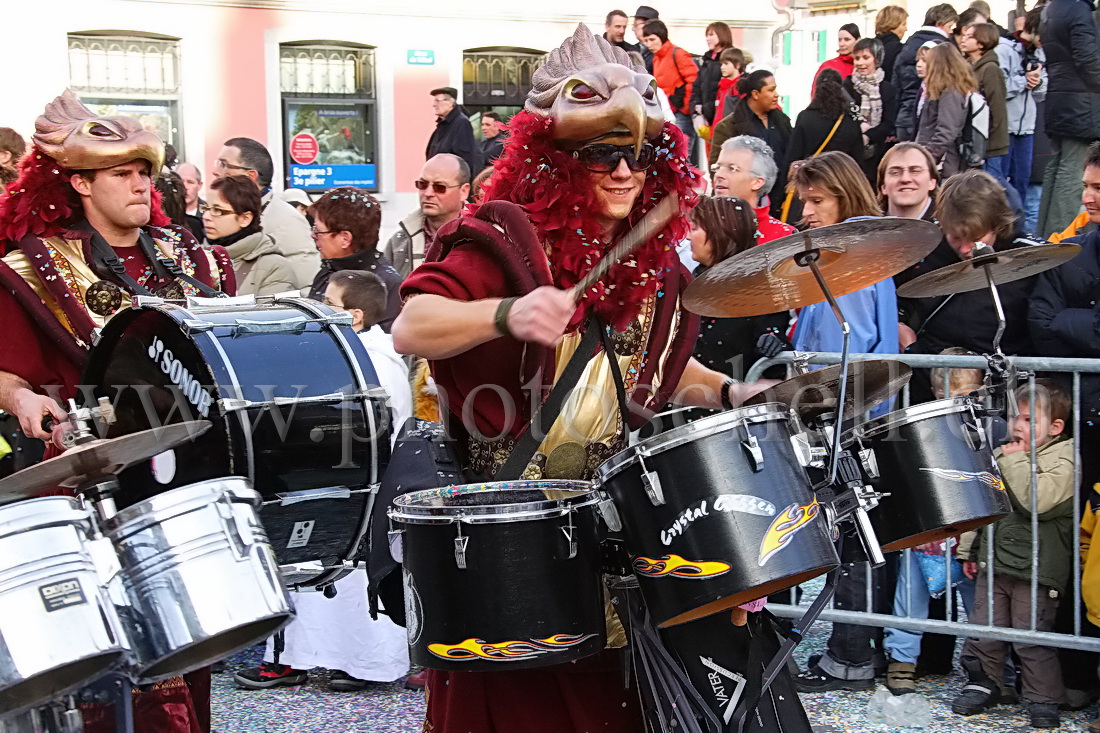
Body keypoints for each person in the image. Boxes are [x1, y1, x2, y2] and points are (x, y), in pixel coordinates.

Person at [392, 26, 789, 733]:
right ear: (552, 160)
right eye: (602, 153)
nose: (623, 171)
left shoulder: (655, 265)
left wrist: (729, 393)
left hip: (624, 552)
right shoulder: (501, 237)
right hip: (511, 552)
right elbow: (414, 326)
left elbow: (655, 372)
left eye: (639, 154)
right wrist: (509, 312)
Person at [0, 89, 235, 733]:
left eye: (144, 173)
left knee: (193, 646)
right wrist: (22, 400)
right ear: (79, 182)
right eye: (121, 173)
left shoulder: (197, 260)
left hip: (190, 475)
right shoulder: (34, 267)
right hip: (91, 484)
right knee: (118, 669)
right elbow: (8, 372)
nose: (139, 186)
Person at [235, 269, 411, 694]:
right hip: (329, 477)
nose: (318, 307)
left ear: (354, 316)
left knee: (349, 580)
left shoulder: (377, 361)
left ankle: (365, 663)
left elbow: (369, 426)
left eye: (327, 303)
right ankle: (303, 658)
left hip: (362, 484)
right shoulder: (343, 349)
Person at [787, 152, 898, 692]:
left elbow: (840, 354)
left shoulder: (846, 261)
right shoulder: (856, 252)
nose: (806, 212)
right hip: (851, 413)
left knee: (849, 541)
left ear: (845, 197)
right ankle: (850, 654)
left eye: (817, 201)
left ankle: (849, 659)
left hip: (842, 419)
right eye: (804, 201)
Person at [953, 379, 1075, 729]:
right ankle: (984, 683)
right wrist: (969, 549)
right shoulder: (1008, 454)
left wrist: (1015, 461)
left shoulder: (1063, 458)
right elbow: (985, 500)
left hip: (1037, 569)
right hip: (995, 561)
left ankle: (1043, 698)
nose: (1017, 426)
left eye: (1027, 419)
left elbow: (1039, 501)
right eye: (1012, 417)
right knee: (984, 629)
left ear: (1055, 428)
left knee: (1031, 636)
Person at [882, 346, 982, 695]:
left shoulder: (985, 430)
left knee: (978, 601)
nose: (949, 400)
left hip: (971, 533)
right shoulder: (922, 425)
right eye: (943, 392)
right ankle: (902, 661)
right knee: (911, 595)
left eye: (960, 394)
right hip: (929, 529)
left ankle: (990, 666)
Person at [903, 171, 1039, 404]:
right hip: (930, 382)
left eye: (977, 238)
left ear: (997, 225)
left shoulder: (1030, 256)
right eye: (956, 238)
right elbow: (899, 300)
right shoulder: (925, 250)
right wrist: (899, 327)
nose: (967, 249)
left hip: (1006, 386)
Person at [1030, 141, 1100, 526]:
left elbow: (1055, 321)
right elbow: (1041, 323)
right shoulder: (1069, 252)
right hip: (1079, 416)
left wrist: (1068, 321)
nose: (1087, 198)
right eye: (1086, 185)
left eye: (1099, 189)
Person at [690, 195, 790, 380]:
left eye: (695, 228)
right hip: (678, 401)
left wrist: (774, 345)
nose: (688, 235)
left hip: (735, 402)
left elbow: (776, 358)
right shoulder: (686, 283)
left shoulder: (759, 291)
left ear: (720, 232)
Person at [212, 137, 319, 289]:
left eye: (224, 164)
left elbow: (304, 287)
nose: (215, 171)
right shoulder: (218, 215)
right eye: (217, 163)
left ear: (250, 176)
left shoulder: (288, 221)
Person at [1035, 0, 1100, 237]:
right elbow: (1088, 60)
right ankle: (1061, 239)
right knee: (1072, 175)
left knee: (1057, 170)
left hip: (1061, 99)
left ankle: (1045, 236)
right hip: (1081, 103)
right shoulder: (1079, 9)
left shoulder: (1051, 9)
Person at [306, 187, 402, 332]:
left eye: (318, 231)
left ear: (345, 239)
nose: (313, 235)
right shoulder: (329, 269)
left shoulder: (385, 285)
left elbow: (383, 347)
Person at [784, 69, 865, 224]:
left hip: (808, 188)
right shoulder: (850, 121)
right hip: (842, 187)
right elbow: (859, 160)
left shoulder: (805, 117)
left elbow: (792, 155)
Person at [203, 175, 294, 296]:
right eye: (205, 208)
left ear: (245, 218)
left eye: (218, 210)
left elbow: (271, 314)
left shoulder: (274, 267)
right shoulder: (195, 258)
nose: (206, 217)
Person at [382, 154, 470, 279]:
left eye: (439, 187)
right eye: (422, 184)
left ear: (464, 191)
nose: (428, 193)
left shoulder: (483, 238)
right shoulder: (398, 243)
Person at [997, 9, 1046, 208]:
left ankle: (1019, 229)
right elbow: (999, 89)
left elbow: (1042, 94)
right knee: (1001, 184)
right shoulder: (1004, 49)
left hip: (1027, 127)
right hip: (1005, 126)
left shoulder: (1041, 52)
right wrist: (1023, 80)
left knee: (1022, 182)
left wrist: (1038, 82)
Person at [712, 134, 797, 242]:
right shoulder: (698, 226)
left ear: (757, 182)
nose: (719, 174)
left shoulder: (783, 237)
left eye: (732, 168)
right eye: (718, 167)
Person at [894, 3, 959, 142]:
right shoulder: (943, 48)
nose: (951, 32)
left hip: (903, 116)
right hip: (929, 120)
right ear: (940, 23)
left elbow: (896, 84)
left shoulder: (908, 44)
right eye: (950, 27)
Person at [916, 42, 978, 178]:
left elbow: (947, 131)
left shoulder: (951, 92)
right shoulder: (942, 90)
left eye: (927, 61)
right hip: (936, 161)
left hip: (944, 164)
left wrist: (926, 156)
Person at [643, 19, 699, 164]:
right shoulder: (656, 59)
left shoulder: (678, 53)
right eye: (646, 40)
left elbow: (693, 80)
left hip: (681, 112)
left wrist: (685, 108)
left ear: (661, 37)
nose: (649, 44)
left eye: (652, 39)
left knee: (682, 155)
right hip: (668, 112)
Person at [845, 37, 900, 183]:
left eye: (865, 57)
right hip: (849, 151)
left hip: (877, 153)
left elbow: (889, 123)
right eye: (857, 58)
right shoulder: (847, 86)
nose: (860, 63)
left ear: (876, 59)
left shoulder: (886, 89)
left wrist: (868, 135)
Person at [960, 23, 1009, 172]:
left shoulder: (990, 69)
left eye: (969, 37)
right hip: (973, 140)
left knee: (994, 183)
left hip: (990, 145)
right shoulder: (967, 67)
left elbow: (997, 109)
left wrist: (989, 144)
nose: (963, 39)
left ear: (981, 42)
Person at [425, 86, 482, 176]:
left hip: (450, 182)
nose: (434, 104)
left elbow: (463, 157)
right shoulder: (443, 125)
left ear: (450, 102)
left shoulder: (461, 123)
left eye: (437, 100)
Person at [691, 22, 733, 129]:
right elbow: (697, 87)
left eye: (711, 35)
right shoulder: (706, 60)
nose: (707, 39)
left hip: (722, 117)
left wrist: (706, 109)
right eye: (707, 35)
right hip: (705, 118)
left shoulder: (731, 59)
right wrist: (696, 109)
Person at [712, 46, 746, 125]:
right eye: (722, 64)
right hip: (719, 131)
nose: (722, 67)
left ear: (737, 65)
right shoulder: (722, 87)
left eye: (726, 64)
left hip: (732, 132)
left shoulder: (741, 86)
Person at [875, 5, 909, 80]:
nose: (906, 29)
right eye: (903, 24)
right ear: (892, 24)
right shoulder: (899, 49)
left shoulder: (871, 45)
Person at [177, 161, 205, 241]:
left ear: (199, 185)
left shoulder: (209, 213)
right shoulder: (167, 213)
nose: (185, 187)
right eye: (180, 181)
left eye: (190, 182)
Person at [632, 5, 659, 72]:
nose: (632, 29)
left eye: (636, 25)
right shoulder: (632, 49)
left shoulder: (659, 52)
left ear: (647, 25)